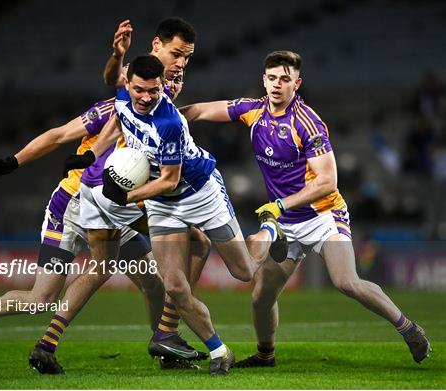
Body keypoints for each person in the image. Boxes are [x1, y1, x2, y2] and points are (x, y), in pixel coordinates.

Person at [0, 18, 210, 374]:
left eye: (181, 73)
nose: (177, 76)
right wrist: (13, 161)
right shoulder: (117, 109)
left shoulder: (165, 121)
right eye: (173, 68)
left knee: (153, 280)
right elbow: (60, 135)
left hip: (115, 206)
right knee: (41, 298)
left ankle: (165, 345)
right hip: (73, 203)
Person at [179, 50, 432, 366]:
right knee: (261, 297)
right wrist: (168, 116)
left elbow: (327, 181)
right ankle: (265, 355)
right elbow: (201, 110)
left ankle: (408, 328)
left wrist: (280, 204)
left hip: (323, 215)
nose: (277, 85)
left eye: (285, 79)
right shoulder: (253, 111)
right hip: (285, 222)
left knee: (346, 282)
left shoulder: (309, 124)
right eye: (272, 78)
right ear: (263, 80)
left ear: (296, 84)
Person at [73, 54, 286, 375]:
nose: (146, 97)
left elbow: (169, 179)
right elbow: (113, 97)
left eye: (154, 91)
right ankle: (220, 351)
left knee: (243, 272)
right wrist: (92, 154)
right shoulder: (122, 98)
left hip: (199, 192)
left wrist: (126, 196)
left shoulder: (169, 123)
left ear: (161, 87)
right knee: (173, 285)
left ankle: (267, 230)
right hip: (163, 203)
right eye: (140, 90)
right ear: (128, 84)